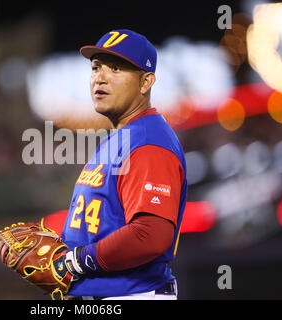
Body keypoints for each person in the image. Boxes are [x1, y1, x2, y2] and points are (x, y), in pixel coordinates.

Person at [43, 29, 188, 300]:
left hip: (134, 294)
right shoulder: (120, 138)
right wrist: (60, 253)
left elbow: (151, 235)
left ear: (146, 82)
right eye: (96, 67)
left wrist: (75, 261)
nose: (100, 76)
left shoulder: (149, 142)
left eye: (116, 68)